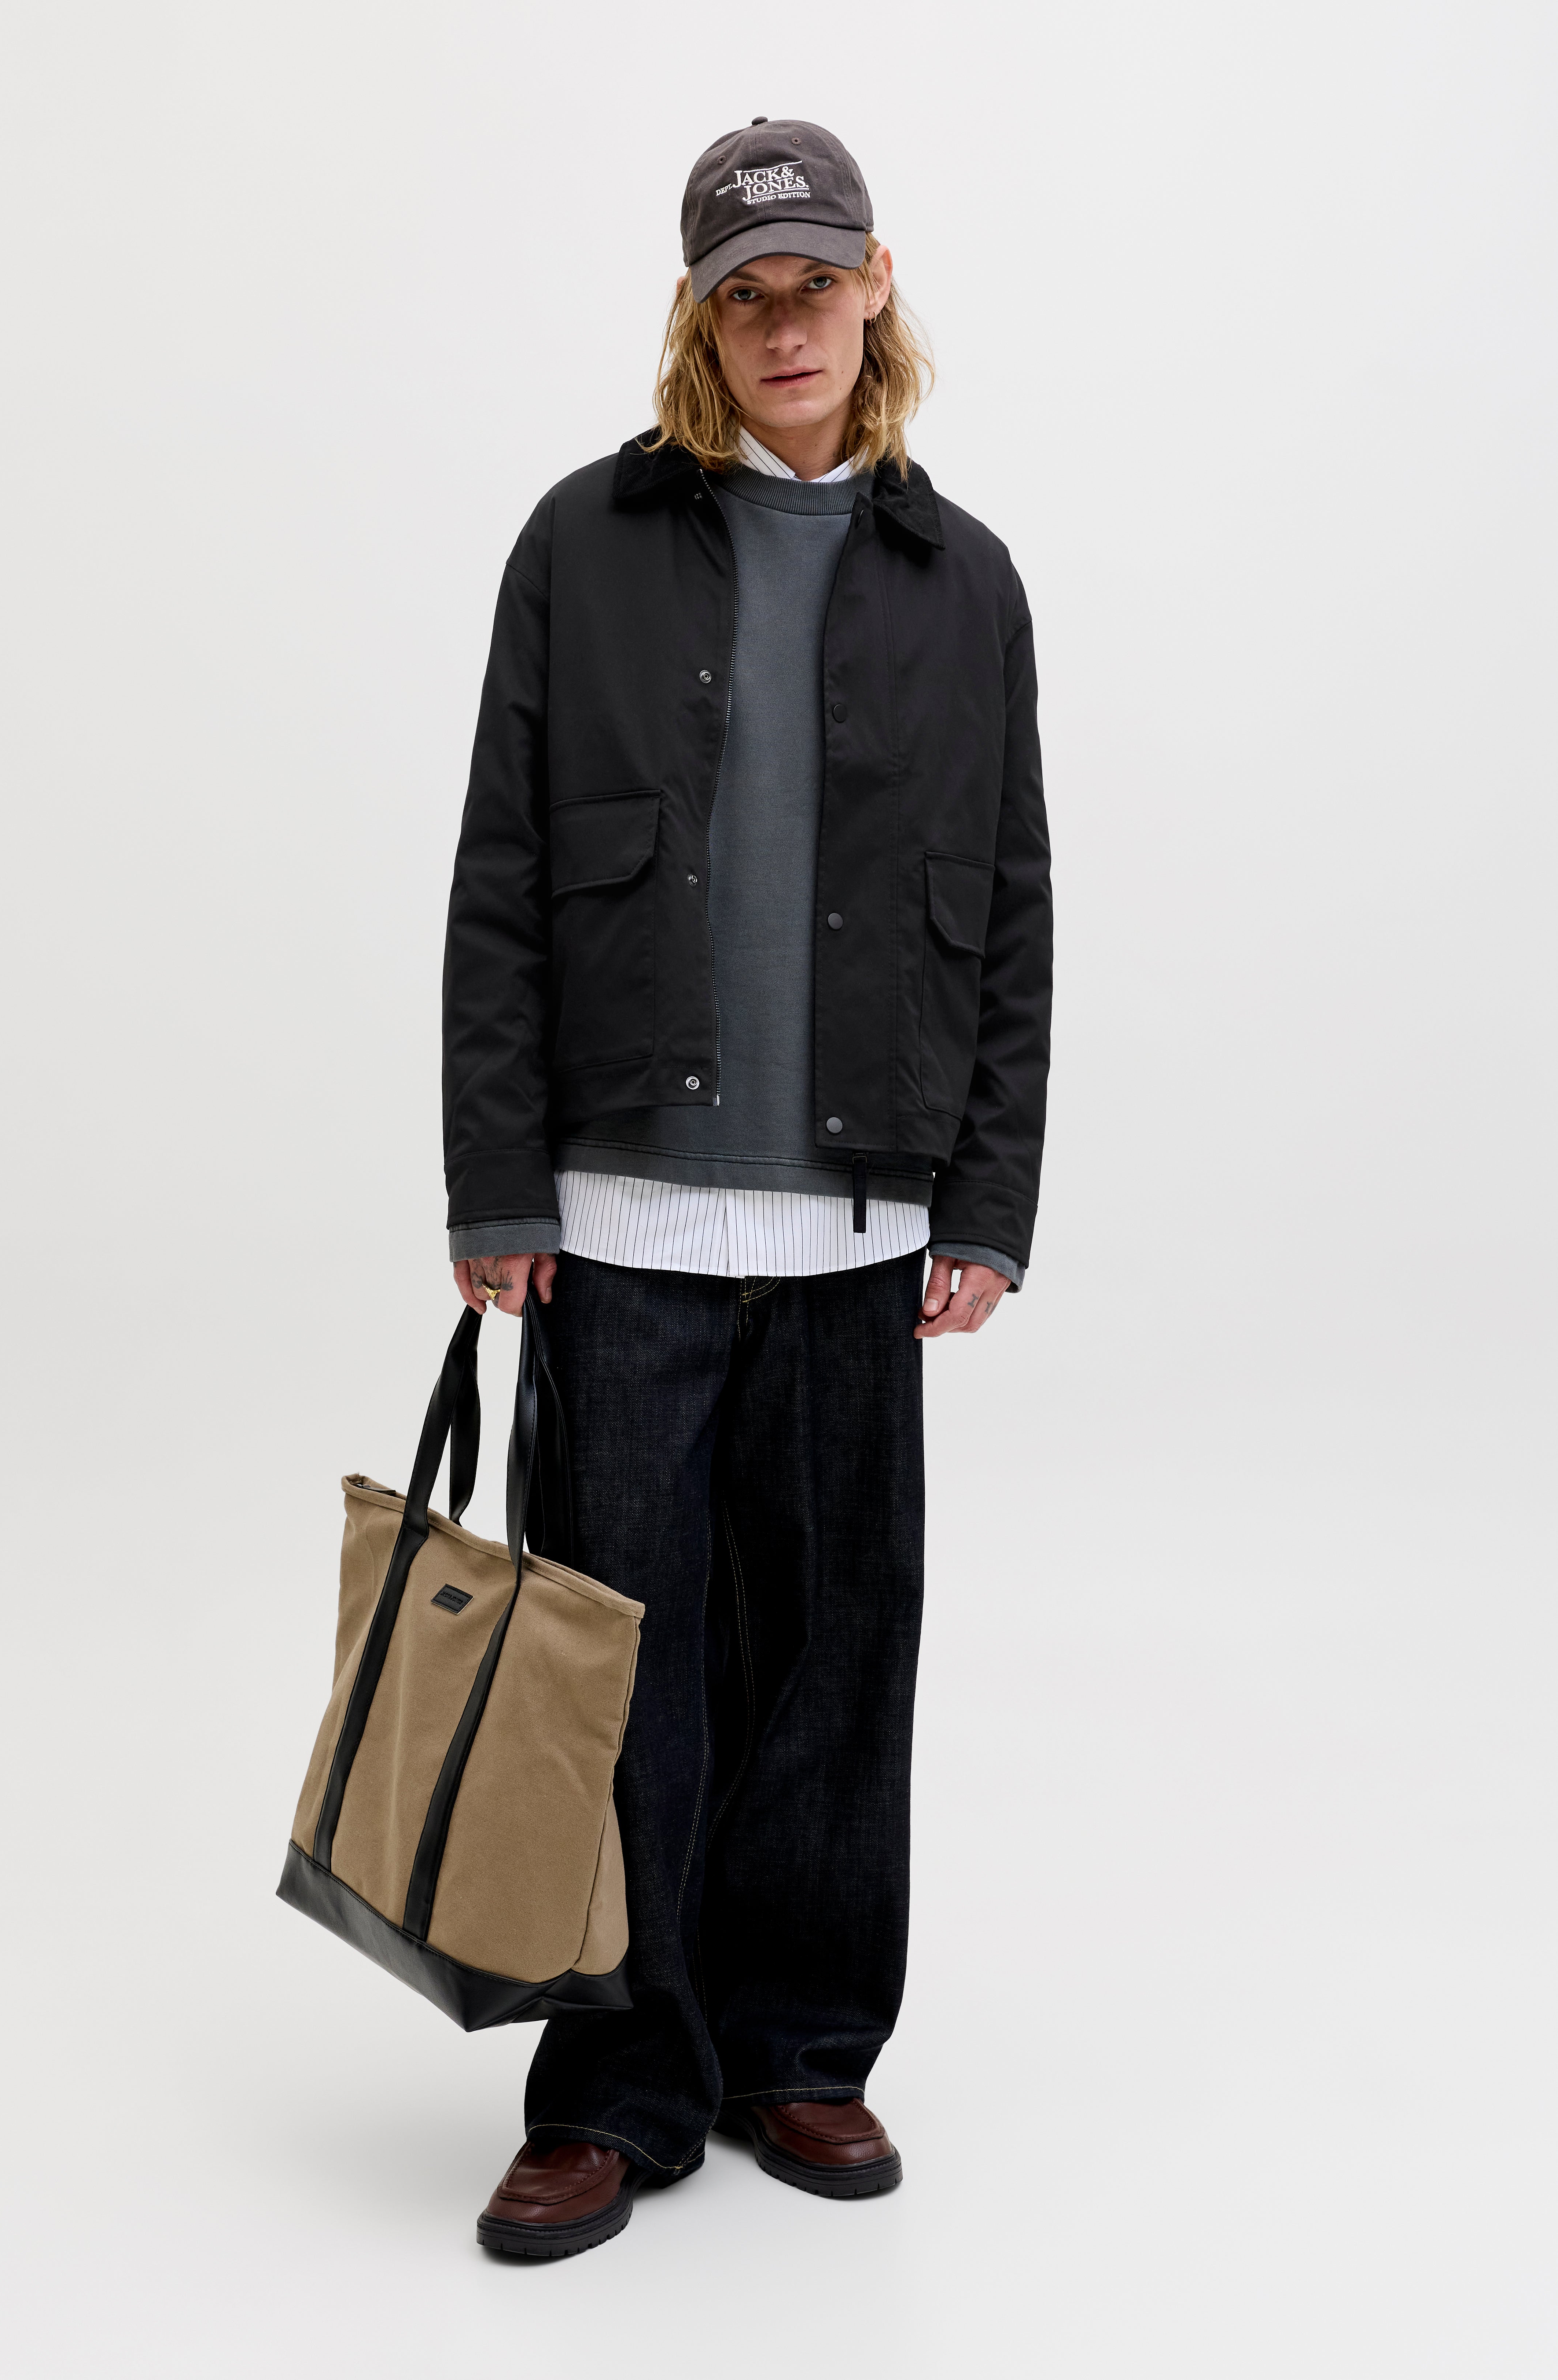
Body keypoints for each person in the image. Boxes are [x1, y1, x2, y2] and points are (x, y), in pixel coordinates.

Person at [441, 115, 1052, 2257]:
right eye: (744, 295)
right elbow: (500, 874)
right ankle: (617, 2087)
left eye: (817, 284)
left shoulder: (965, 580)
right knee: (616, 1674)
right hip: (619, 1218)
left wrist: (986, 1199)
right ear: (700, 319)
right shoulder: (581, 540)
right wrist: (497, 1182)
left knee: (835, 1663)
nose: (785, 326)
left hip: (866, 1224)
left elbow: (1012, 903)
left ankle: (800, 2049)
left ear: (877, 289)